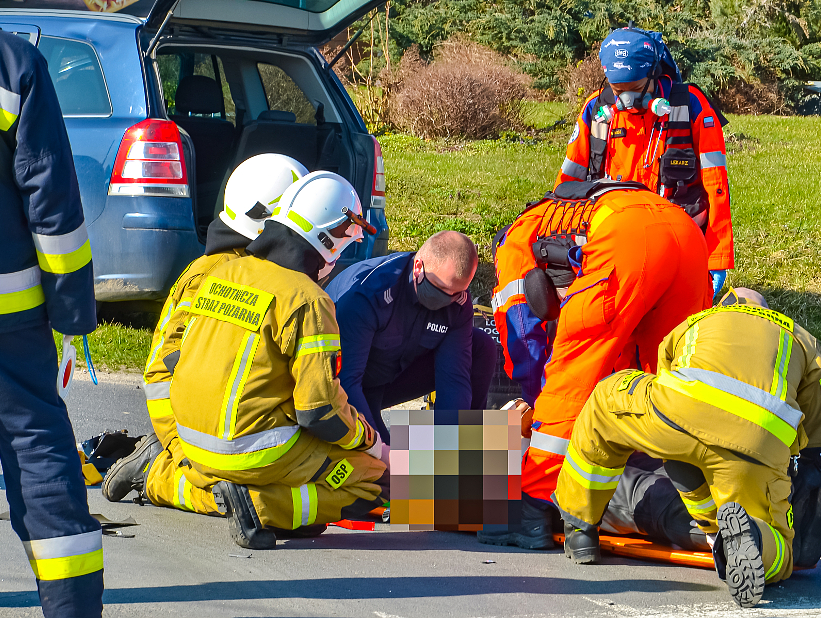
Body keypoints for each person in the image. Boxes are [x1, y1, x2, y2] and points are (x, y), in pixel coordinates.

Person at [551, 289, 821, 608]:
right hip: (754, 447)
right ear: (766, 310)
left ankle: (580, 528)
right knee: (781, 549)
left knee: (605, 401)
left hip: (680, 418)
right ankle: (751, 537)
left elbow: (664, 371)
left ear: (725, 304)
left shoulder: (699, 319)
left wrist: (662, 434)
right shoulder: (801, 338)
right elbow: (818, 419)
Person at [485, 178, 711, 548]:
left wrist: (539, 410)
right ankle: (706, 483)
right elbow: (621, 356)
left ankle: (534, 507)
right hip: (685, 233)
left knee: (572, 370)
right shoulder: (565, 220)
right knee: (674, 377)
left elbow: (524, 341)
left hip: (627, 238)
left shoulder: (513, 246)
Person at [166, 171, 386, 549]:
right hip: (248, 448)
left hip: (190, 440)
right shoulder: (309, 299)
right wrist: (370, 440)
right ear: (328, 237)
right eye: (344, 241)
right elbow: (320, 412)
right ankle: (260, 504)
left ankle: (208, 488)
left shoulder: (225, 271)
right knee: (371, 480)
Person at [0, 0, 104, 614]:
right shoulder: (14, 65)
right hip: (10, 317)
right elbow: (54, 211)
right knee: (38, 451)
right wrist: (72, 314)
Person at [102, 154, 308, 514]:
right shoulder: (217, 271)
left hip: (217, 403)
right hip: (183, 404)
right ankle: (157, 470)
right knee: (234, 496)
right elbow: (172, 360)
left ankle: (429, 495)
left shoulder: (252, 266)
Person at [559, 27, 734, 297]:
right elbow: (569, 179)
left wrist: (717, 258)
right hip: (614, 235)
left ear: (653, 73)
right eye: (619, 91)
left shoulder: (691, 106)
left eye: (636, 89)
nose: (628, 101)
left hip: (676, 238)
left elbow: (716, 185)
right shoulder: (595, 110)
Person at [325, 231, 495, 442]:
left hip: (394, 376)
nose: (446, 299)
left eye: (456, 293)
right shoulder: (367, 295)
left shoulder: (458, 303)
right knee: (385, 467)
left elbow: (454, 380)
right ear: (418, 267)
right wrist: (379, 448)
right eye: (440, 288)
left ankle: (470, 449)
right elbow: (345, 382)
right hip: (347, 387)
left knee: (482, 347)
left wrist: (451, 443)